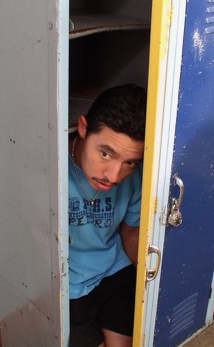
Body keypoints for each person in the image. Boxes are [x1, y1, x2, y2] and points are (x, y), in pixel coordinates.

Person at [68, 84, 147, 347]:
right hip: (71, 283)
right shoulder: (51, 169)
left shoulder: (134, 177)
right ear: (83, 127)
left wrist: (149, 283)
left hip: (114, 268)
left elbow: (132, 231)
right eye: (105, 154)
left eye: (129, 162)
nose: (113, 176)